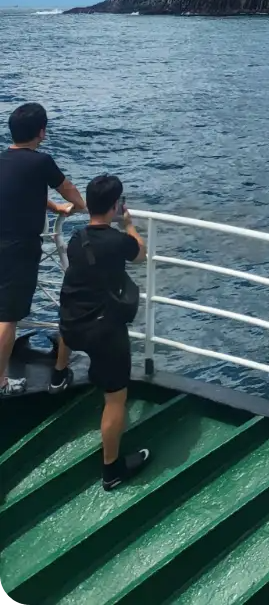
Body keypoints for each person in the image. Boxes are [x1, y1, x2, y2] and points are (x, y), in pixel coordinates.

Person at [59, 174, 152, 491]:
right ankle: (112, 470)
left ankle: (60, 373)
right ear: (116, 206)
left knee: (67, 317)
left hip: (71, 326)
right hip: (103, 332)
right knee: (116, 399)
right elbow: (141, 253)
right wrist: (129, 226)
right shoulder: (117, 241)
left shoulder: (75, 238)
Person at [0, 103, 86, 397]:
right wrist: (80, 206)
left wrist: (52, 207)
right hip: (18, 248)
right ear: (41, 132)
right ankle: (0, 382)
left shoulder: (3, 160)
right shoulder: (41, 162)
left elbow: (19, 189)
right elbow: (68, 189)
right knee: (7, 318)